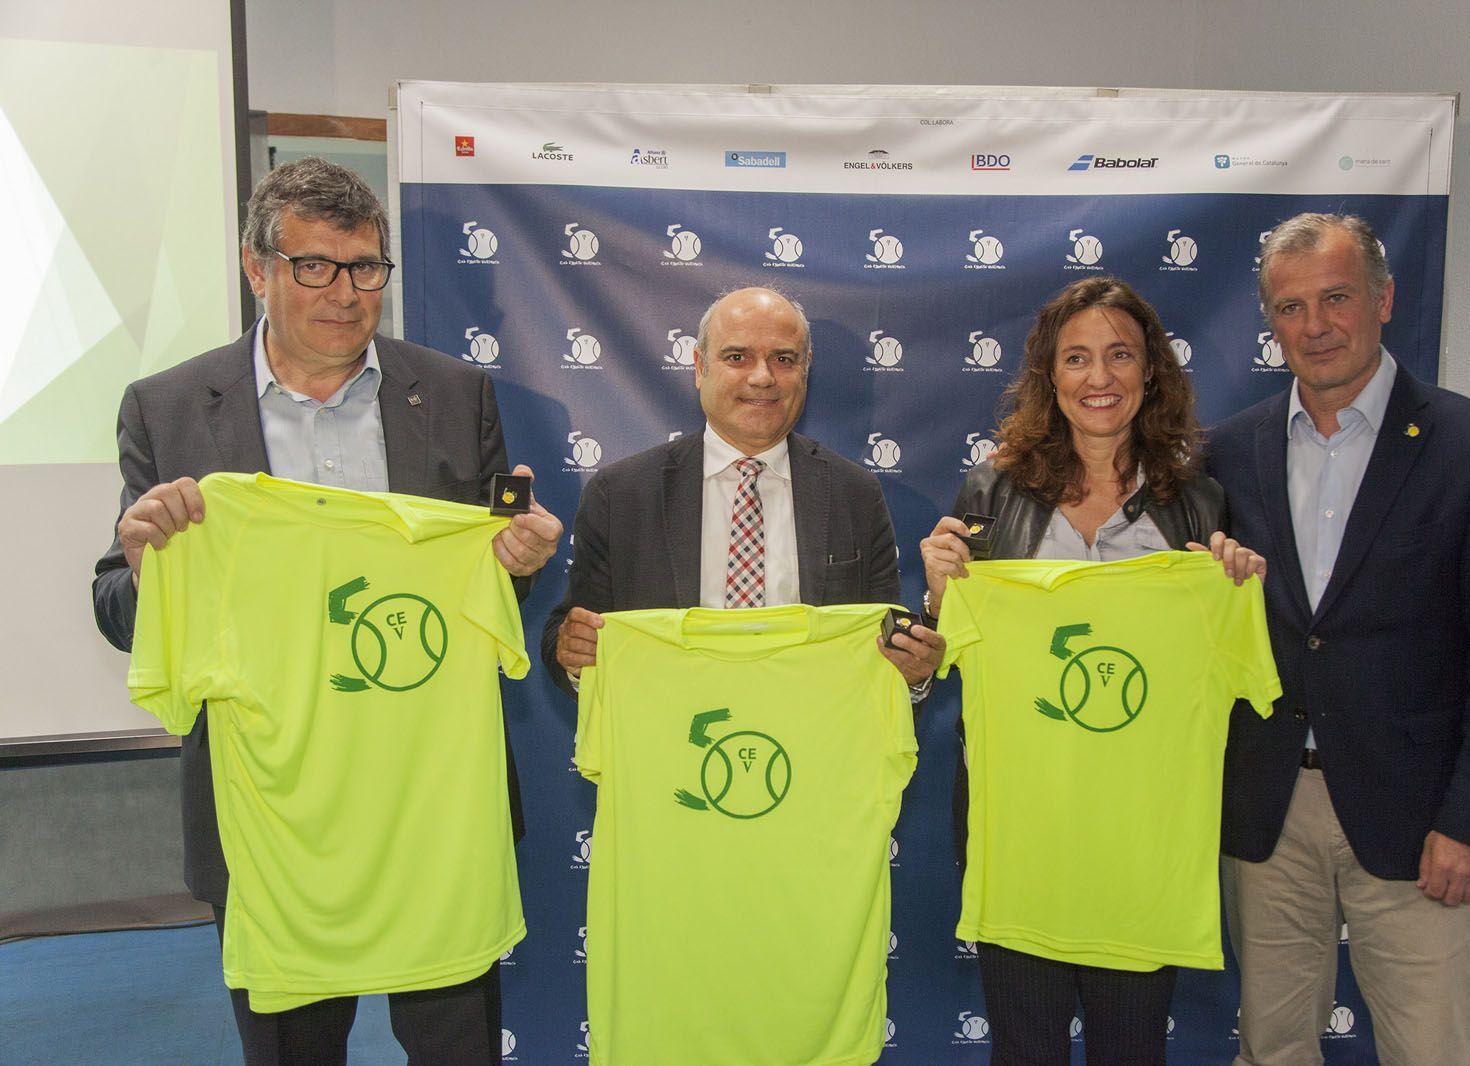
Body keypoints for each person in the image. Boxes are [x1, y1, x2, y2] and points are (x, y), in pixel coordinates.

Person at [90, 157, 562, 1066]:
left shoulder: (456, 396)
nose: (346, 294)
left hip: (432, 807)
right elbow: (118, 603)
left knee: (456, 1047)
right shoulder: (169, 408)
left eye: (366, 268)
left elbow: (485, 592)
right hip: (271, 818)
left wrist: (517, 564)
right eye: (315, 266)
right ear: (256, 267)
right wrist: (151, 568)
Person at [1208, 213, 1470, 1066]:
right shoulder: (1227, 453)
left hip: (1421, 819)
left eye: (1335, 298)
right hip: (1267, 812)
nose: (1314, 326)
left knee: (1434, 1051)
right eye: (1289, 308)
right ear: (1270, 323)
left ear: (1385, 299)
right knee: (1272, 1051)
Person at [920, 276, 1264, 1066]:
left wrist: (1233, 584)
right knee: (1027, 1051)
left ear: (1152, 372)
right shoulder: (991, 494)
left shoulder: (1197, 505)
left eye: (1119, 355)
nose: (1099, 377)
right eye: (1076, 358)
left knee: (1131, 1051)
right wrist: (941, 594)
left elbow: (1219, 653)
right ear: (1049, 376)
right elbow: (945, 654)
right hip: (1023, 839)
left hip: (1142, 844)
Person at [542, 285, 943, 695]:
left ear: (806, 370)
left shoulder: (854, 494)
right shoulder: (621, 494)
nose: (762, 377)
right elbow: (567, 637)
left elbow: (883, 644)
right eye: (737, 357)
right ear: (700, 368)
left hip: (813, 741)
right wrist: (574, 655)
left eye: (783, 359)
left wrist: (911, 673)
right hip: (668, 741)